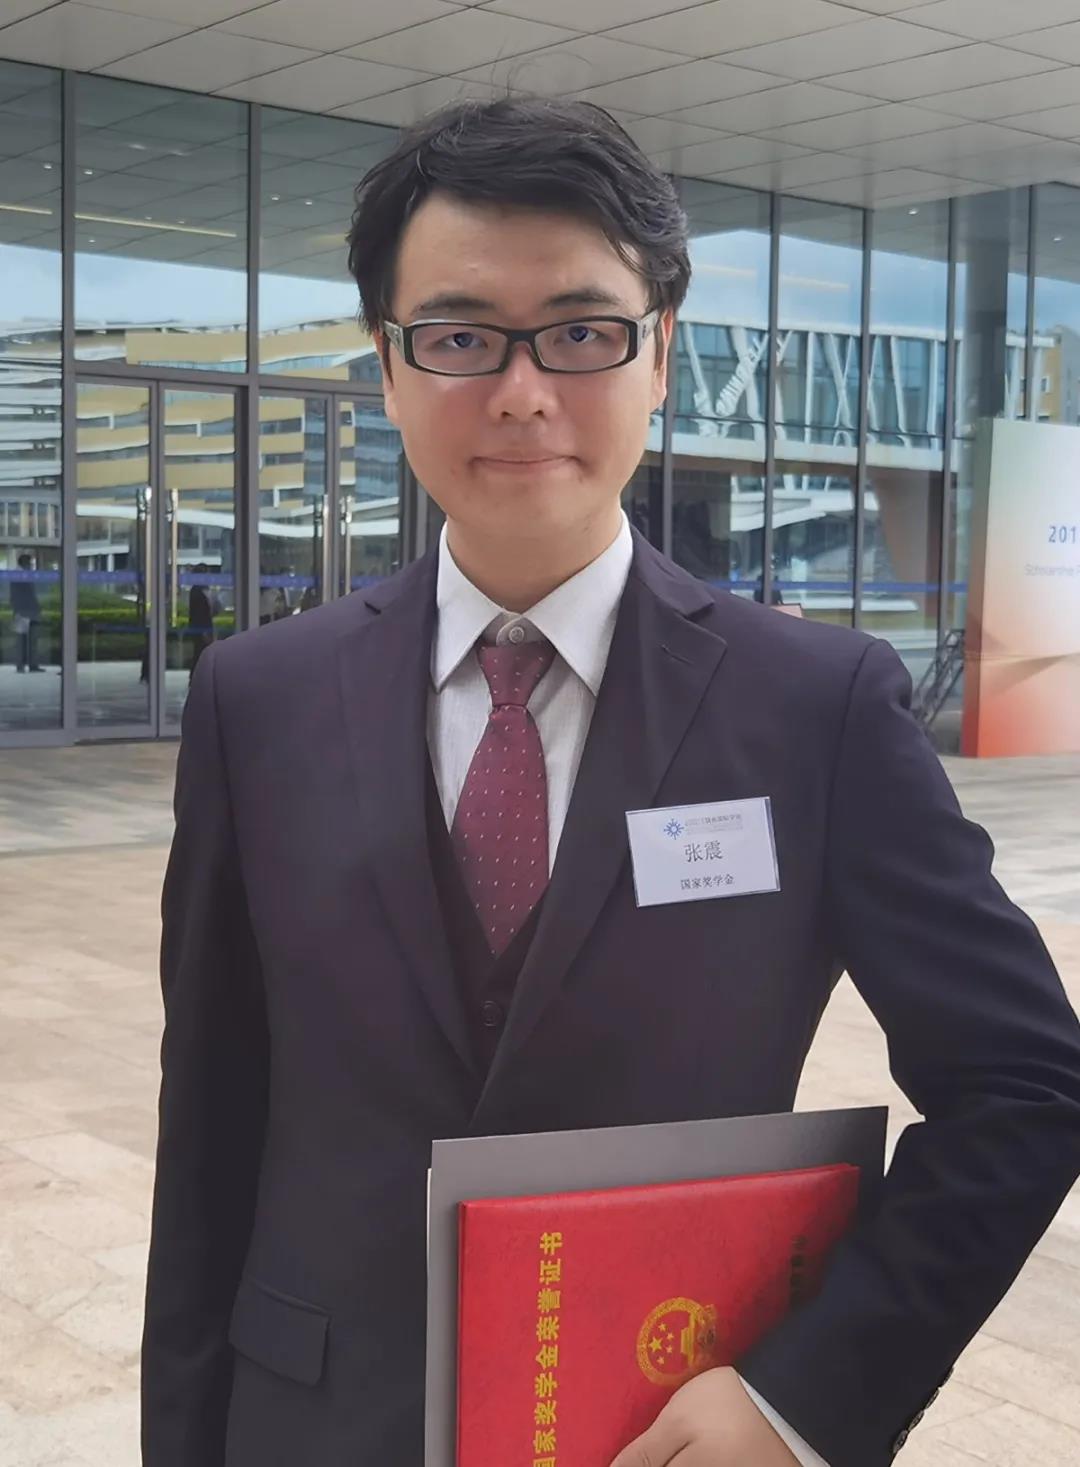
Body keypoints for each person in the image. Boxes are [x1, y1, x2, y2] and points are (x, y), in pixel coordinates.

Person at [141, 97, 1080, 1467]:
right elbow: (211, 1129)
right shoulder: (258, 700)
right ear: (389, 366)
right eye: (460, 336)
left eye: (582, 332)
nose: (523, 392)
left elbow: (1025, 1086)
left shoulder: (813, 709)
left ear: (661, 359)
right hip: (315, 1419)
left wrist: (805, 1397)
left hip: (653, 1420)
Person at [11, 552, 45, 672]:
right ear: (24, 563)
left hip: (31, 611)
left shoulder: (28, 575)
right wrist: (18, 610)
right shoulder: (17, 575)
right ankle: (21, 665)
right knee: (21, 640)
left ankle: (33, 665)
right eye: (30, 563)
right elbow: (16, 596)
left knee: (33, 640)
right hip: (22, 611)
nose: (32, 566)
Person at [187, 565, 215, 685]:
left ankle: (197, 678)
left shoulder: (202, 590)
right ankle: (196, 678)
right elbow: (198, 613)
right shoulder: (197, 591)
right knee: (200, 653)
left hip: (204, 627)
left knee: (201, 653)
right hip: (201, 629)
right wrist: (204, 632)